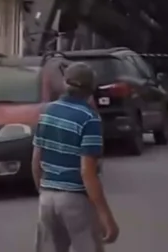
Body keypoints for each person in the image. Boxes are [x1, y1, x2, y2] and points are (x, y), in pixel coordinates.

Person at [32, 62, 118, 251]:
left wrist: (44, 191)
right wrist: (106, 216)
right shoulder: (89, 119)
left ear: (65, 83)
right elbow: (87, 172)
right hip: (76, 200)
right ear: (91, 89)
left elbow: (36, 161)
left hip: (47, 197)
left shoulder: (46, 112)